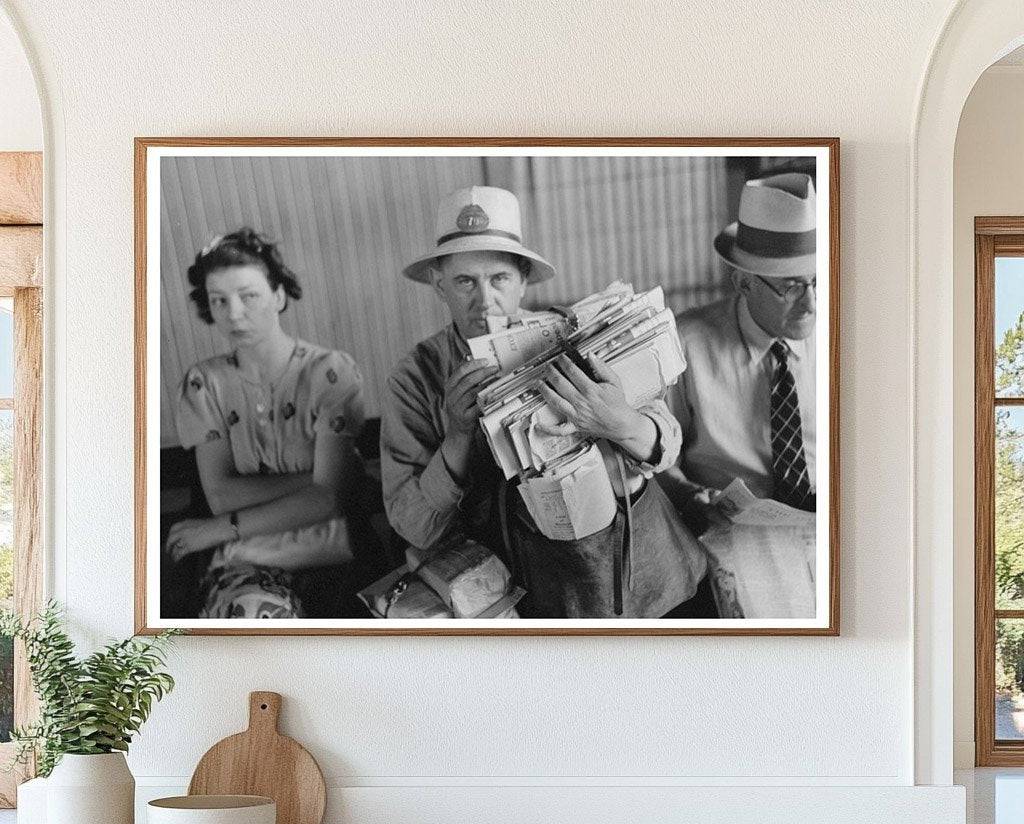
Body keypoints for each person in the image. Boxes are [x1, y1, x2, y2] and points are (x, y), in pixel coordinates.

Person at [381, 185, 705, 617]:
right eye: (464, 282)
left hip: (626, 568)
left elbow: (668, 443)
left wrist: (620, 423)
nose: (485, 300)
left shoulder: (577, 336)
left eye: (499, 279)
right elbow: (416, 527)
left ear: (523, 282)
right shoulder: (415, 377)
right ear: (439, 286)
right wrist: (458, 438)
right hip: (509, 586)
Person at [166, 228, 376, 619]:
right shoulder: (204, 382)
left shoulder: (330, 371)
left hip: (329, 549)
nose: (234, 313)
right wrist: (324, 476)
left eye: (248, 296)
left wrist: (219, 529)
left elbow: (329, 499)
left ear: (278, 296)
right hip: (246, 558)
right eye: (219, 301)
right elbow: (221, 496)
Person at [659, 172, 819, 534]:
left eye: (816, 281)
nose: (810, 303)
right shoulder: (686, 344)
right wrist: (688, 495)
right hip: (728, 528)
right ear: (743, 283)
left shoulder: (844, 332)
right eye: (791, 287)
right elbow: (660, 452)